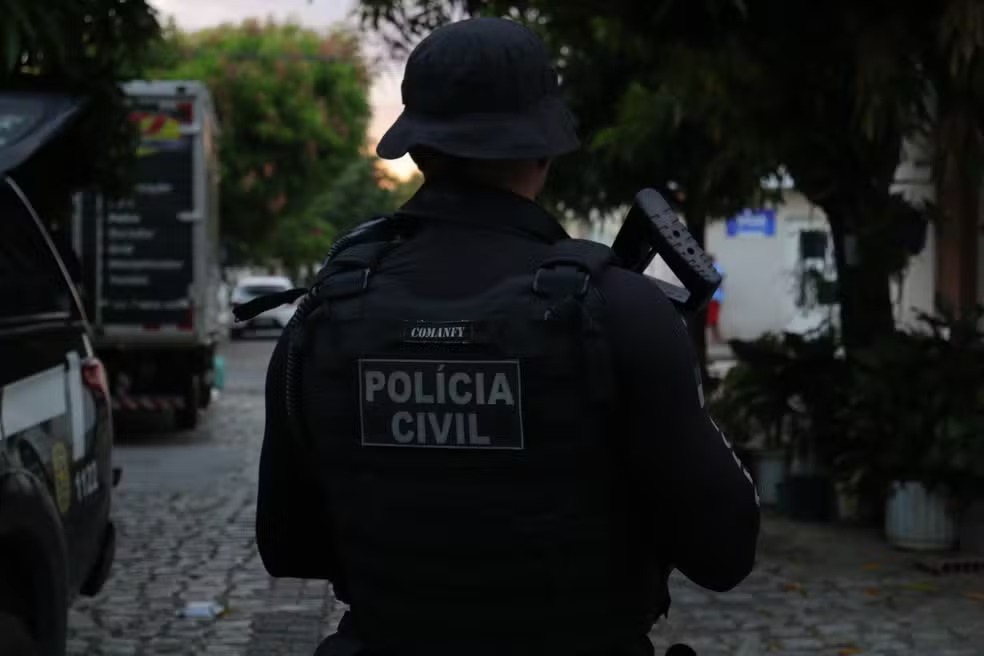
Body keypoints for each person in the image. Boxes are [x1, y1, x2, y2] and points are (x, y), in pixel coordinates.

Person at [255, 17, 760, 656]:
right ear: (544, 151)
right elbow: (723, 553)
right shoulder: (622, 308)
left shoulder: (326, 312)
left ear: (416, 150)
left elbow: (289, 546)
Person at [707, 255, 725, 343]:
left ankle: (715, 338)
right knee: (713, 319)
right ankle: (716, 338)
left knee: (713, 318)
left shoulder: (710, 267)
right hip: (715, 298)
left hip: (713, 298)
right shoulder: (716, 268)